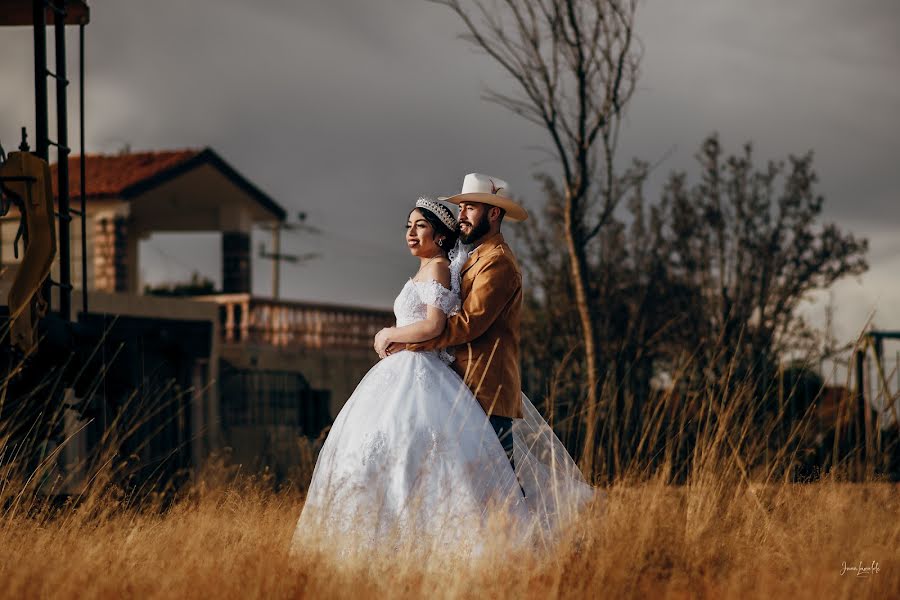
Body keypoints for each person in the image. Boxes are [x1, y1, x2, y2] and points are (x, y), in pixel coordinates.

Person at [291, 178, 593, 560]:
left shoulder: (498, 262)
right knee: (467, 481)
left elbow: (468, 324)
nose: (462, 216)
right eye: (461, 208)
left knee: (498, 486)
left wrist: (403, 339)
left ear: (493, 213)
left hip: (484, 386)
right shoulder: (469, 260)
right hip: (456, 382)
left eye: (469, 208)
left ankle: (534, 554)